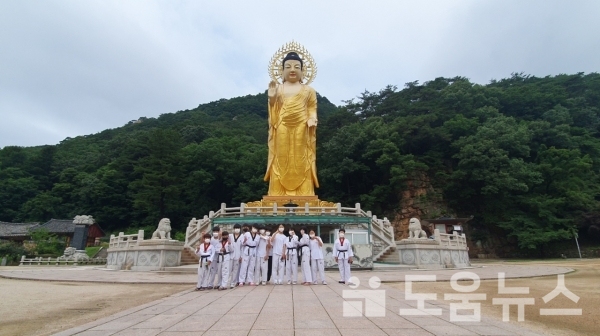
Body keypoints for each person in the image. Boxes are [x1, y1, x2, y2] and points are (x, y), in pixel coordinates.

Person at [265, 52, 319, 196]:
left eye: (297, 66)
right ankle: (277, 193)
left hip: (302, 126)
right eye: (288, 66)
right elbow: (273, 109)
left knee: (301, 156)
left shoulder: (309, 90)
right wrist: (271, 99)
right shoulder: (278, 89)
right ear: (282, 71)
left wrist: (312, 119)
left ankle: (305, 192)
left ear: (302, 71)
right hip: (282, 124)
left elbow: (312, 109)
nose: (292, 69)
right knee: (281, 156)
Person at [228, 224, 243, 288]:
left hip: (238, 255)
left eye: (238, 228)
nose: (237, 229)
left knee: (235, 270)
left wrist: (241, 256)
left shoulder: (242, 236)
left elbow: (242, 247)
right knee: (228, 270)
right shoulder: (230, 236)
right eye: (236, 228)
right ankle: (225, 282)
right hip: (230, 255)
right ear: (233, 229)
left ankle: (233, 282)